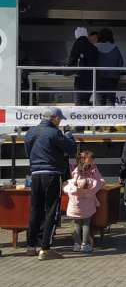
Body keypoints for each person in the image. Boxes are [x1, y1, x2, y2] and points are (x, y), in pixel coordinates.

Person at [24, 107, 76, 260]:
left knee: (35, 210)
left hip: (35, 174)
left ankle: (30, 246)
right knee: (51, 210)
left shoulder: (31, 132)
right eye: (59, 119)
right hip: (52, 174)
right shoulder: (54, 132)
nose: (59, 122)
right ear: (53, 118)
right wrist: (69, 137)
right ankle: (45, 249)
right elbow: (71, 149)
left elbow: (28, 153)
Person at [63, 151, 104, 253]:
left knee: (77, 224)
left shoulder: (73, 180)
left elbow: (66, 187)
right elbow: (100, 183)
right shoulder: (91, 181)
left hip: (75, 206)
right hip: (87, 205)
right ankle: (85, 244)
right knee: (86, 224)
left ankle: (76, 244)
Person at [66, 27, 98, 105]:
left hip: (80, 77)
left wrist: (66, 72)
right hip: (91, 78)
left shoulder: (77, 44)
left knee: (79, 102)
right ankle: (86, 115)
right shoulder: (93, 47)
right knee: (86, 100)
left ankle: (79, 116)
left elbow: (72, 59)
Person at [95, 28, 124, 106]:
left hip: (98, 78)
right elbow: (120, 63)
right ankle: (109, 117)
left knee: (99, 102)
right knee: (110, 102)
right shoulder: (115, 48)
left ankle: (99, 117)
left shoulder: (95, 48)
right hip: (112, 79)